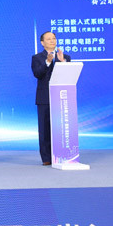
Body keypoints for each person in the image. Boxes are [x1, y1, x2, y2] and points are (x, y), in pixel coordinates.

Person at [31, 31, 71, 166]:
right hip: (44, 97)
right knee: (44, 129)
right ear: (42, 43)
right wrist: (48, 62)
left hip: (62, 97)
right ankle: (47, 158)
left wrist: (62, 61)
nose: (52, 41)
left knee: (61, 127)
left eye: (54, 38)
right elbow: (37, 74)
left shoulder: (65, 57)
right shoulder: (37, 58)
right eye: (49, 39)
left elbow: (68, 75)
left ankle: (62, 154)